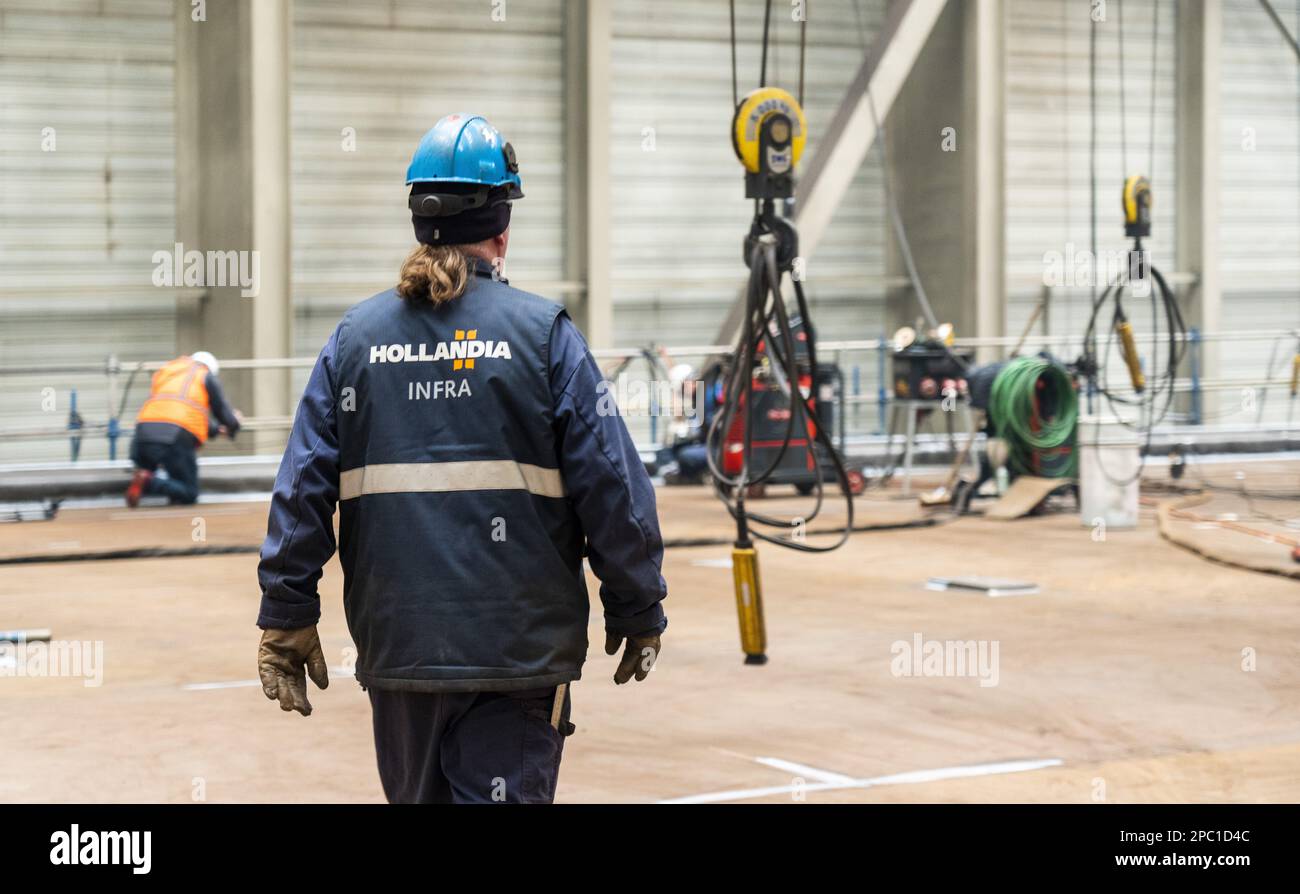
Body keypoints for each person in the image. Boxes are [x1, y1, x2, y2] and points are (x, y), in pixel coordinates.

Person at [254, 114, 668, 804]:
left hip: (401, 649)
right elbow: (613, 487)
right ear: (503, 229)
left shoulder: (355, 341)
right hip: (517, 656)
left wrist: (286, 610)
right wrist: (636, 603)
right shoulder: (544, 338)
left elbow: (300, 488)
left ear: (418, 221)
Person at [125, 351, 241, 507]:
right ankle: (149, 481)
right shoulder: (204, 375)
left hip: (142, 433)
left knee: (154, 470)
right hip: (176, 435)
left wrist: (215, 430)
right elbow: (222, 411)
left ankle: (144, 477)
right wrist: (234, 425)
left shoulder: (168, 371)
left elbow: (183, 409)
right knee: (189, 492)